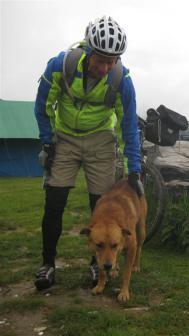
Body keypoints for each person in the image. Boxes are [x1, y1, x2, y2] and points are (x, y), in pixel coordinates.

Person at [33, 16, 143, 290]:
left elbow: (128, 126)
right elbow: (42, 107)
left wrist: (134, 170)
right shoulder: (61, 65)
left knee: (101, 204)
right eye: (101, 60)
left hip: (100, 140)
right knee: (55, 201)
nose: (106, 68)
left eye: (112, 61)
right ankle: (48, 264)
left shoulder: (121, 80)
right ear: (88, 52)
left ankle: (99, 266)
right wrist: (48, 142)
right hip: (65, 137)